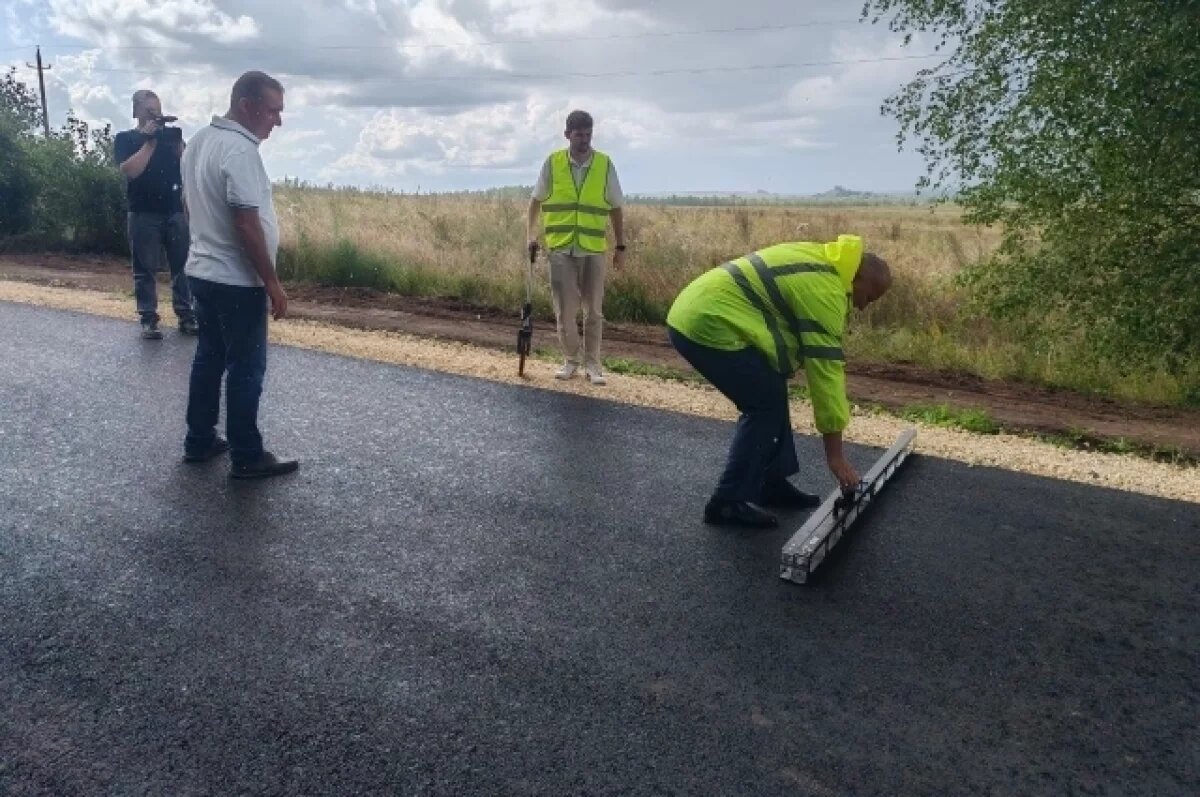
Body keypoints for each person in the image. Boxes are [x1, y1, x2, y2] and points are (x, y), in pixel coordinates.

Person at [666, 235, 892, 528]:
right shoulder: (826, 290)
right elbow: (826, 376)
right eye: (869, 297)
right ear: (858, 277)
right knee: (764, 404)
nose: (863, 307)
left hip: (703, 310)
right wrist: (836, 458)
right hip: (705, 322)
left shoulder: (825, 261)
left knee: (771, 389)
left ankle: (767, 484)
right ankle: (726, 502)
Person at [179, 71, 297, 479]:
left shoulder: (198, 143)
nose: (277, 121)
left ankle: (199, 440)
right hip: (235, 280)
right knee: (247, 367)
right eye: (272, 111)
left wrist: (203, 245)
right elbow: (246, 222)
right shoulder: (240, 150)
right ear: (247, 105)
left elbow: (188, 205)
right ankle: (247, 454)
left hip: (202, 271)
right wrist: (272, 281)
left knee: (209, 357)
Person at [527, 110, 626, 385]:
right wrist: (530, 235)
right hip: (560, 250)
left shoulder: (605, 164)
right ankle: (571, 361)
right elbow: (535, 201)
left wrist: (620, 247)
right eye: (579, 134)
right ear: (567, 134)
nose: (584, 139)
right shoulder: (553, 163)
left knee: (593, 310)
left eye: (588, 134)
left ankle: (593, 365)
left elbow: (616, 207)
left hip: (593, 249)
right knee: (565, 311)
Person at [114, 89, 197, 339]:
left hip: (174, 211)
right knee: (145, 268)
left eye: (158, 110)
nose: (155, 115)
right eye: (150, 110)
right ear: (136, 111)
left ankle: (187, 315)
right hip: (143, 213)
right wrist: (149, 142)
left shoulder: (169, 139)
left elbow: (189, 168)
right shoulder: (126, 139)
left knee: (182, 267)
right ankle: (148, 319)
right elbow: (131, 171)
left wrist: (177, 145)